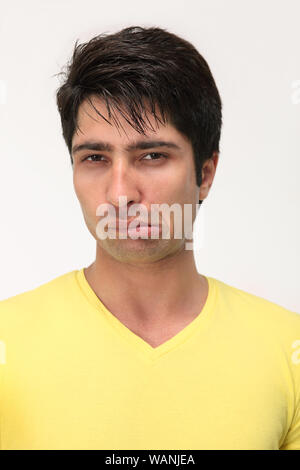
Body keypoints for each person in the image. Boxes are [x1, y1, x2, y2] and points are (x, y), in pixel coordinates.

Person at [0, 25, 299, 451]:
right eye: (95, 158)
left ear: (205, 174)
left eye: (153, 156)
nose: (121, 194)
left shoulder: (289, 350)